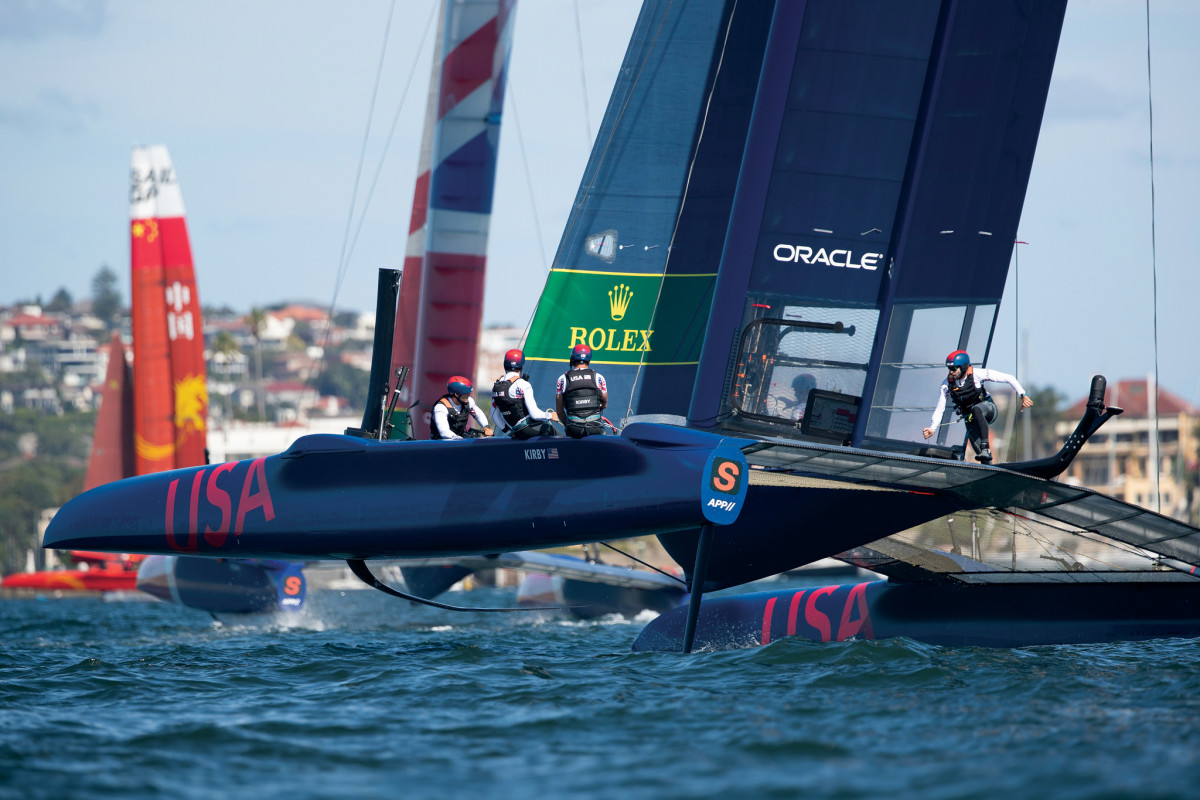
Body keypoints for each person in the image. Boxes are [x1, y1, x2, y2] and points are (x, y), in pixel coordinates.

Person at [923, 350, 1033, 463]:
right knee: (981, 455)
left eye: (954, 368)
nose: (951, 372)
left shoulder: (977, 374)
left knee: (976, 410)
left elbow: (1009, 378)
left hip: (988, 409)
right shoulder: (946, 385)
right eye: (949, 369)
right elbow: (940, 407)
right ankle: (989, 469)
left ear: (964, 366)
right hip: (970, 418)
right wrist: (932, 428)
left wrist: (1022, 395)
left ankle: (986, 448)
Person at [490, 348, 558, 438]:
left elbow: (494, 415)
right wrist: (550, 415)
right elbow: (535, 414)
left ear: (505, 364)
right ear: (521, 365)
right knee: (553, 432)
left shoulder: (497, 386)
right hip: (528, 429)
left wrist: (509, 432)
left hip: (516, 432)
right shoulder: (523, 384)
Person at [555, 344, 609, 439]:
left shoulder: (562, 379)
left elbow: (559, 411)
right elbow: (605, 404)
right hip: (595, 427)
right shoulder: (599, 377)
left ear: (572, 358)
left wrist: (568, 425)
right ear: (589, 359)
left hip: (573, 428)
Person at [429, 375, 493, 440]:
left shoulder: (468, 401)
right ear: (456, 394)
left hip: (459, 441)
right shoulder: (441, 407)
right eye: (465, 394)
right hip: (440, 443)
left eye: (469, 394)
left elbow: (478, 415)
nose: (468, 396)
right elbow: (444, 433)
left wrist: (486, 427)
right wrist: (462, 440)